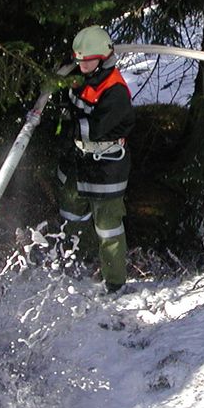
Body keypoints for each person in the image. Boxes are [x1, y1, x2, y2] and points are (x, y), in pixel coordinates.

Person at [56, 25, 136, 294]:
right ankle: (80, 266)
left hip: (106, 165)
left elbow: (96, 127)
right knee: (72, 213)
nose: (81, 64)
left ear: (102, 58)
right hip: (80, 161)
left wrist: (67, 118)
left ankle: (114, 283)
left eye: (86, 60)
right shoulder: (81, 74)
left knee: (108, 226)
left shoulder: (115, 91)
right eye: (78, 60)